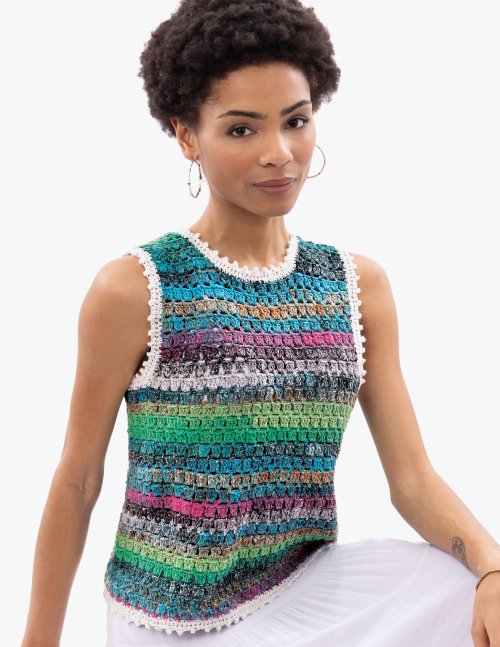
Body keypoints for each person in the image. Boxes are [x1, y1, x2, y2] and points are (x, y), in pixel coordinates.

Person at [21, 1, 500, 646]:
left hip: (304, 588)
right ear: (187, 136)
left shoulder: (356, 286)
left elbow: (411, 477)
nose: (280, 154)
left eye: (295, 121)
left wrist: (491, 566)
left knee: (463, 587)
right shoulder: (136, 289)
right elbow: (79, 480)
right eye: (242, 129)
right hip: (174, 618)